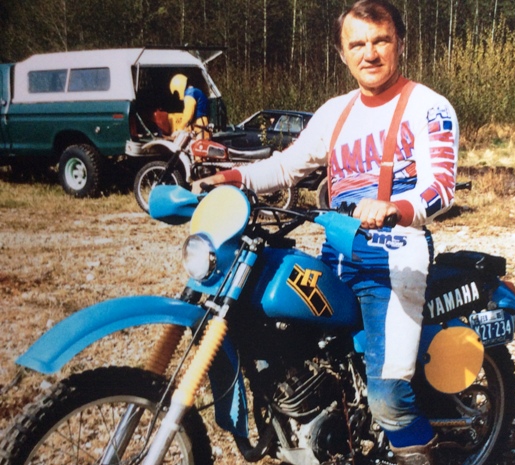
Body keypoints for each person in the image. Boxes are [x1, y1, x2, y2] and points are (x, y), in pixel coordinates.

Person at [193, 1, 458, 463]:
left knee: (388, 398)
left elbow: (441, 187)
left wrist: (395, 208)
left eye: (381, 41)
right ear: (342, 53)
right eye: (358, 44)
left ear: (400, 43)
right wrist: (232, 178)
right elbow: (287, 166)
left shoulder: (428, 106)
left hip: (392, 263)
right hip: (336, 256)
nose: (370, 53)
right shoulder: (336, 112)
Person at [169, 73, 210, 138]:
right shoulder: (196, 91)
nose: (178, 95)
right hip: (203, 126)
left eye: (177, 92)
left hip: (200, 128)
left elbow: (188, 115)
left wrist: (179, 129)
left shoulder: (190, 94)